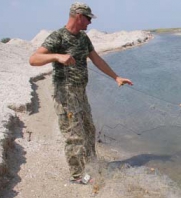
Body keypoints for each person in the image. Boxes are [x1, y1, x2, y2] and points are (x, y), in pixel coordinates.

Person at [29, 2, 133, 184]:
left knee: (89, 130)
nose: (90, 23)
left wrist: (116, 77)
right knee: (74, 135)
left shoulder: (84, 38)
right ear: (78, 16)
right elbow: (34, 59)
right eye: (88, 18)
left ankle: (92, 165)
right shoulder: (58, 37)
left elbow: (97, 59)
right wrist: (57, 56)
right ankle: (77, 176)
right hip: (65, 94)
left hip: (80, 93)